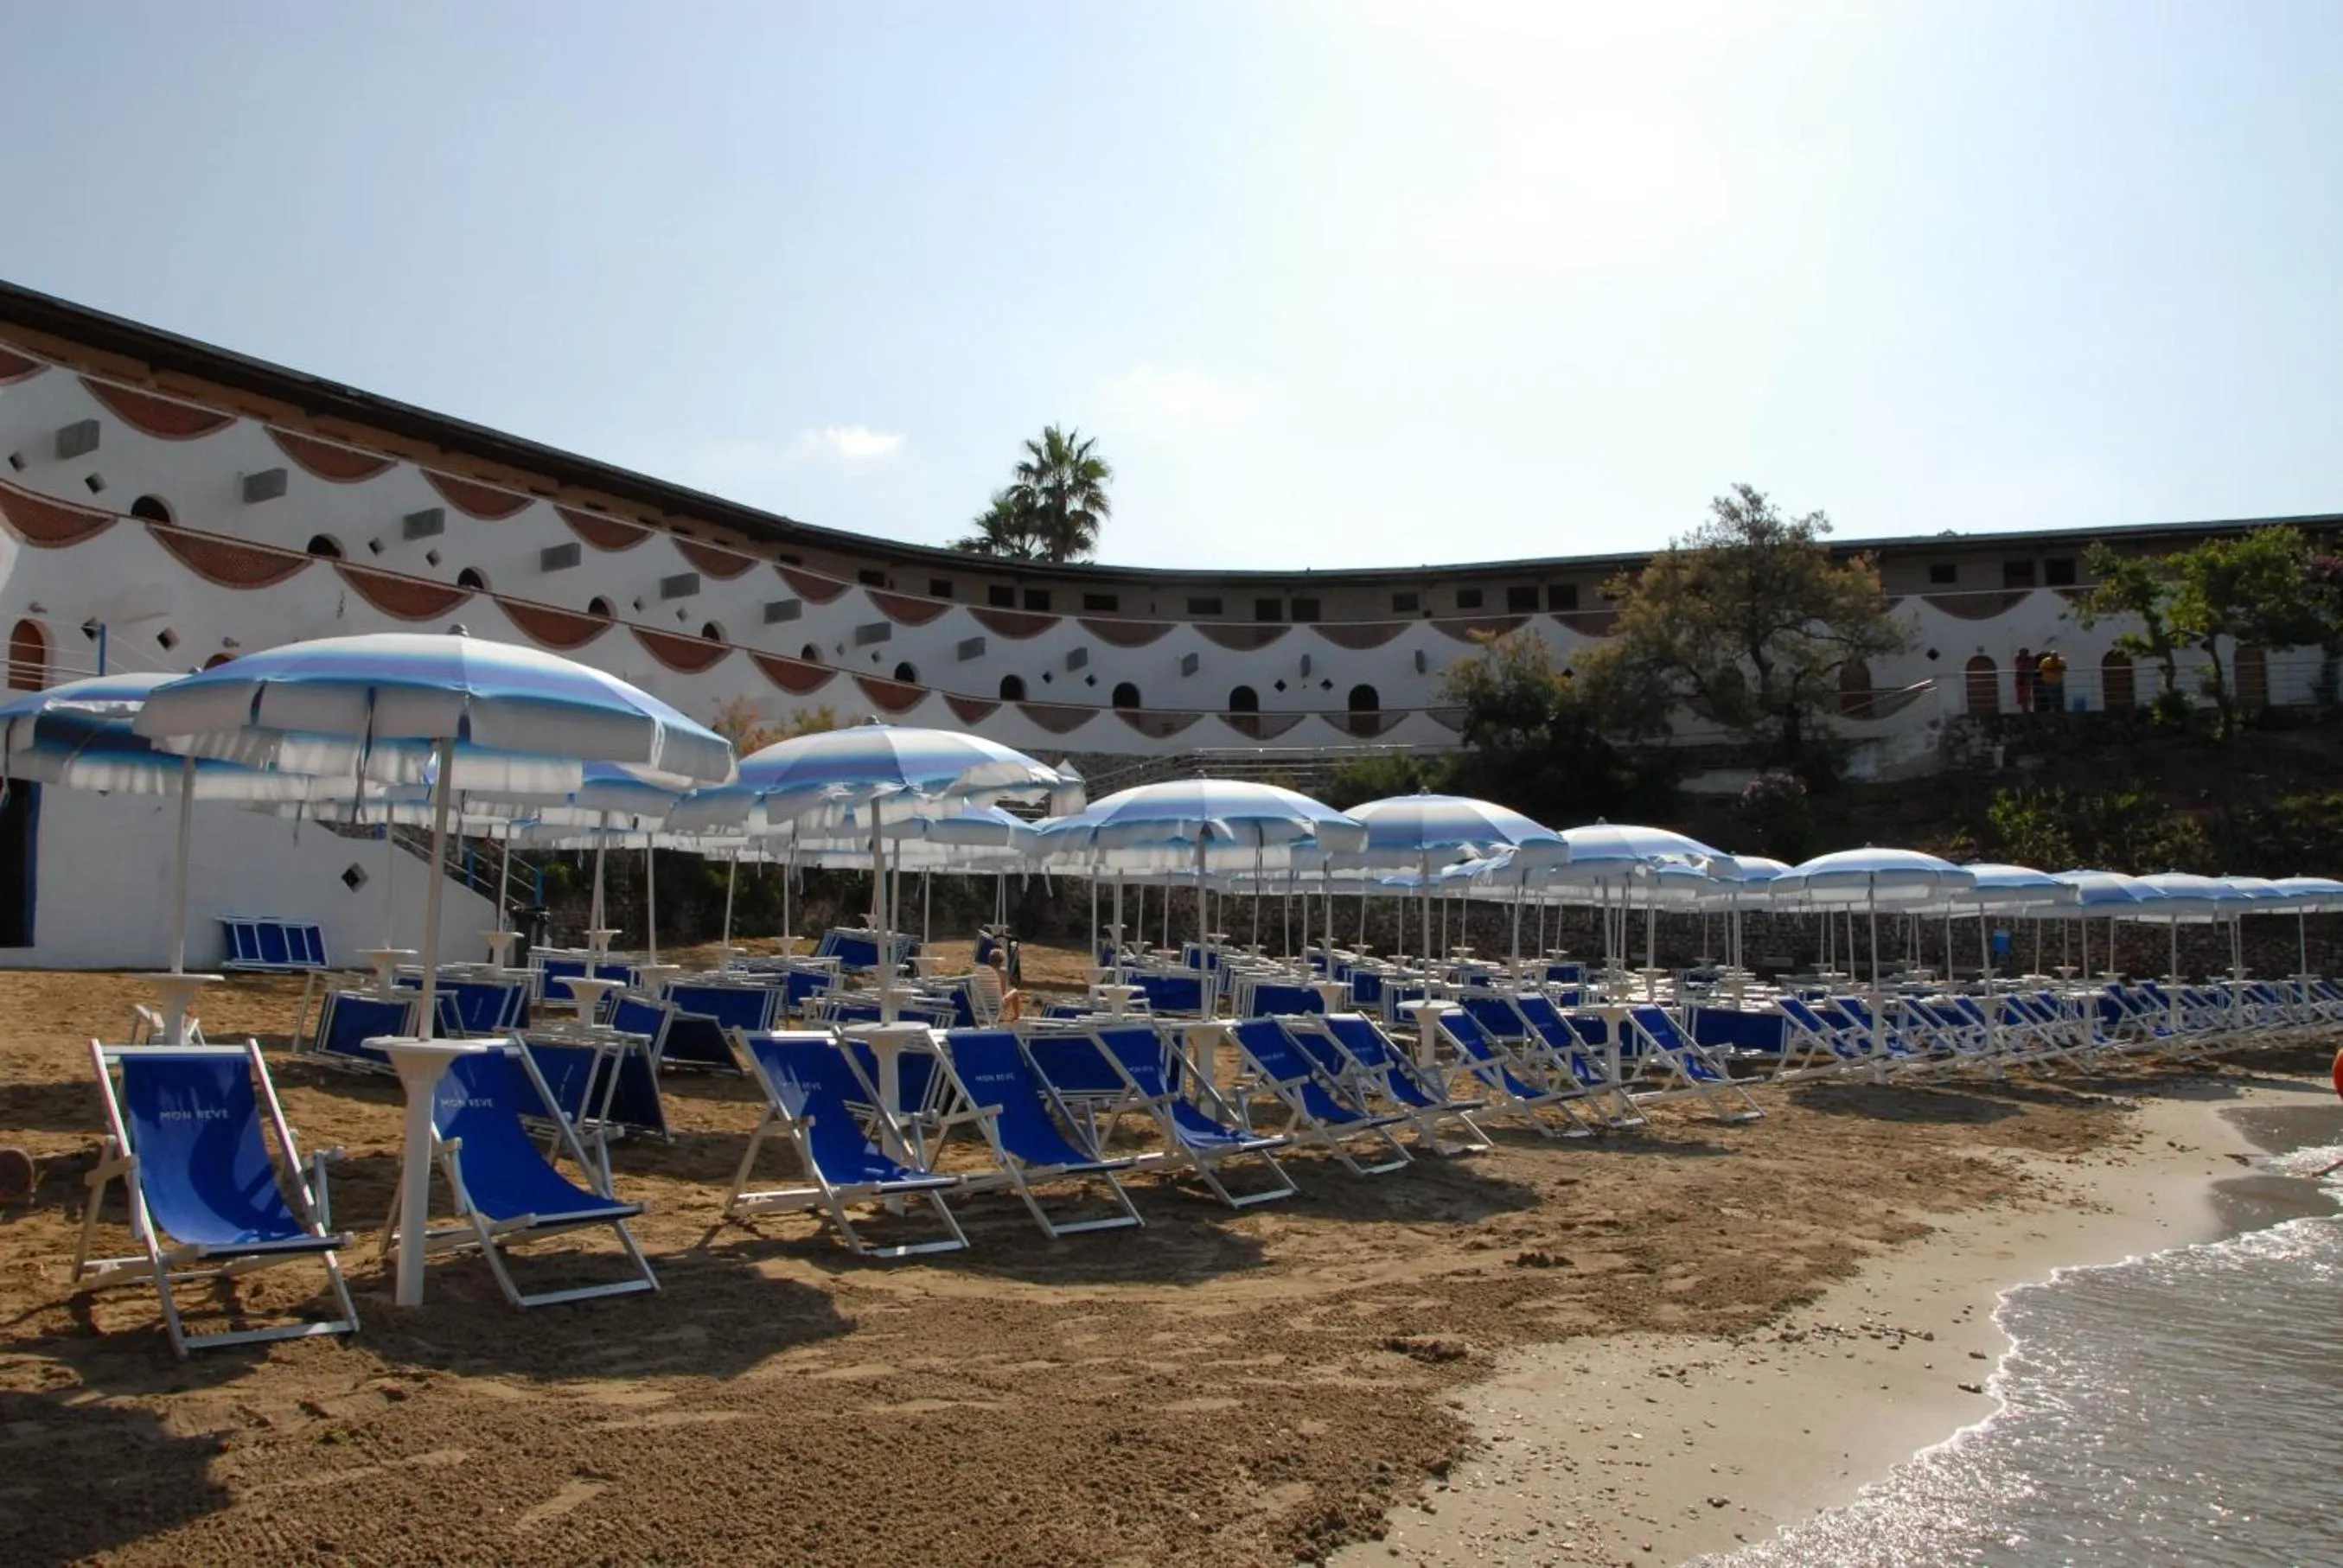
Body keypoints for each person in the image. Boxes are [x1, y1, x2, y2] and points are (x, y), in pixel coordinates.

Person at [974, 946, 1027, 1024]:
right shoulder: (1003, 973)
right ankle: (1016, 1016)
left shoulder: (982, 972)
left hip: (982, 1005)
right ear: (1002, 961)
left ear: (989, 960)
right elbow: (1002, 992)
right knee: (1015, 991)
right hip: (997, 1005)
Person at [2037, 648, 2067, 712]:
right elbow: (2041, 669)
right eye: (2053, 656)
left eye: (2055, 656)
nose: (2054, 658)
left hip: (2058, 681)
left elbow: (2064, 668)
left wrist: (2057, 668)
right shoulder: (2045, 661)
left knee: (2058, 696)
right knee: (2050, 695)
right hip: (2048, 681)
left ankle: (2059, 709)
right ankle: (2051, 708)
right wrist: (2050, 669)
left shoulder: (2061, 661)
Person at [2014, 647, 2037, 712]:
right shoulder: (2017, 658)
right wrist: (2024, 669)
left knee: (2027, 694)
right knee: (2020, 695)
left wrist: (2025, 669)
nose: (2023, 655)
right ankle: (2023, 708)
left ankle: (2027, 708)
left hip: (2027, 679)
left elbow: (2031, 668)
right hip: (2019, 679)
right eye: (2021, 653)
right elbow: (2019, 667)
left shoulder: (2031, 659)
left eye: (2024, 653)